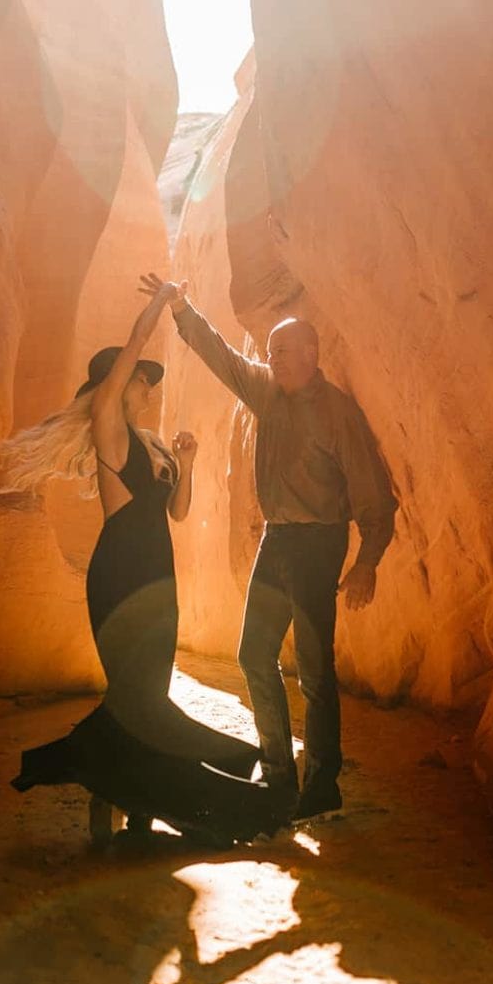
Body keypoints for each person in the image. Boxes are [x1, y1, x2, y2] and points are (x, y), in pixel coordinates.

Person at [0, 280, 281, 848]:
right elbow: (134, 348)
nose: (148, 384)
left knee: (149, 695)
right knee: (134, 696)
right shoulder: (109, 432)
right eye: (141, 377)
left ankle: (136, 807)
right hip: (119, 574)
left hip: (157, 578)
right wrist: (162, 302)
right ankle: (133, 790)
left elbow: (179, 514)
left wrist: (186, 464)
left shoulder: (150, 445)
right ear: (120, 385)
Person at [140, 272, 398, 821]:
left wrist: (366, 562)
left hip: (318, 545)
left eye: (283, 350)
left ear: (311, 352)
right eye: (271, 350)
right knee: (253, 655)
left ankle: (321, 786)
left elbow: (373, 496)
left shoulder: (337, 413)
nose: (272, 357)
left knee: (314, 670)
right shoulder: (266, 392)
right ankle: (279, 776)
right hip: (277, 540)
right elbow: (225, 358)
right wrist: (182, 309)